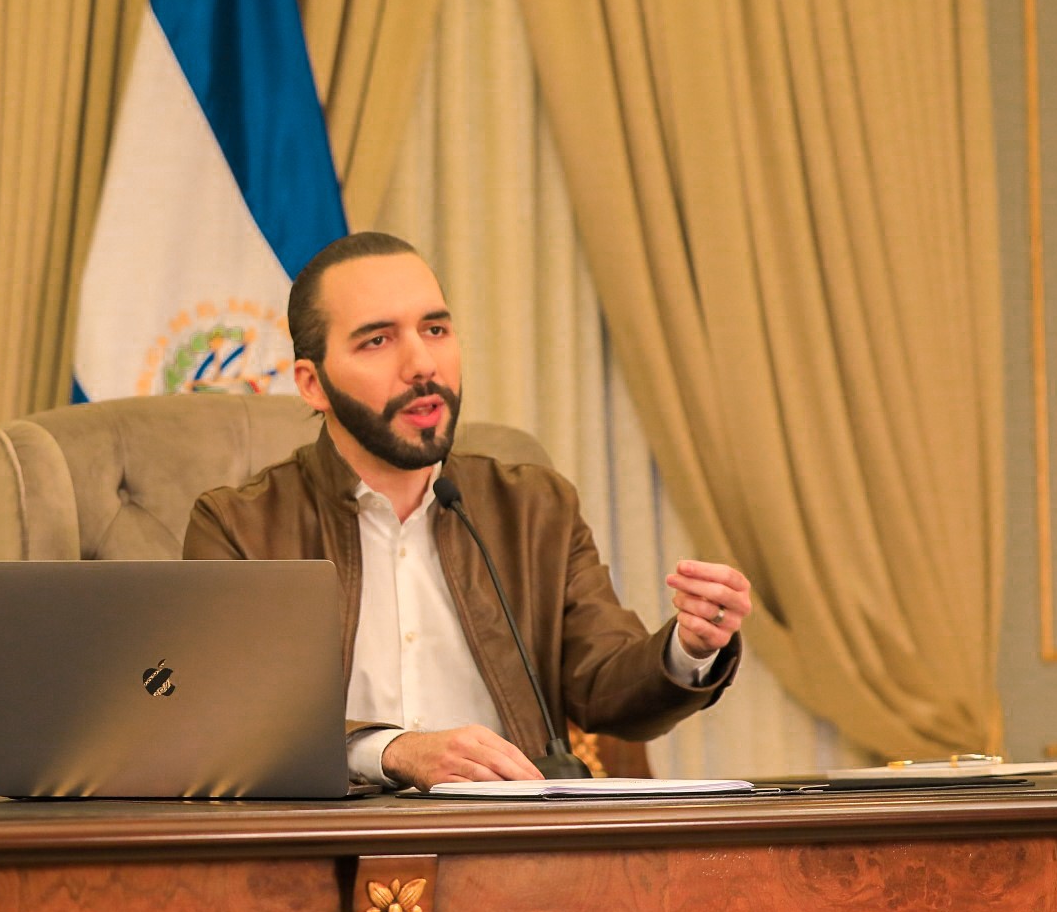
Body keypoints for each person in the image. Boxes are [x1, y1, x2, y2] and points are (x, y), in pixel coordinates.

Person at [184, 232, 750, 790]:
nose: (421, 364)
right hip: (329, 836)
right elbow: (230, 722)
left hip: (507, 836)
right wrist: (391, 751)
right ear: (313, 385)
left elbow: (605, 688)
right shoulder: (239, 527)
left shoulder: (533, 509)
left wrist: (689, 647)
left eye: (435, 330)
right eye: (377, 341)